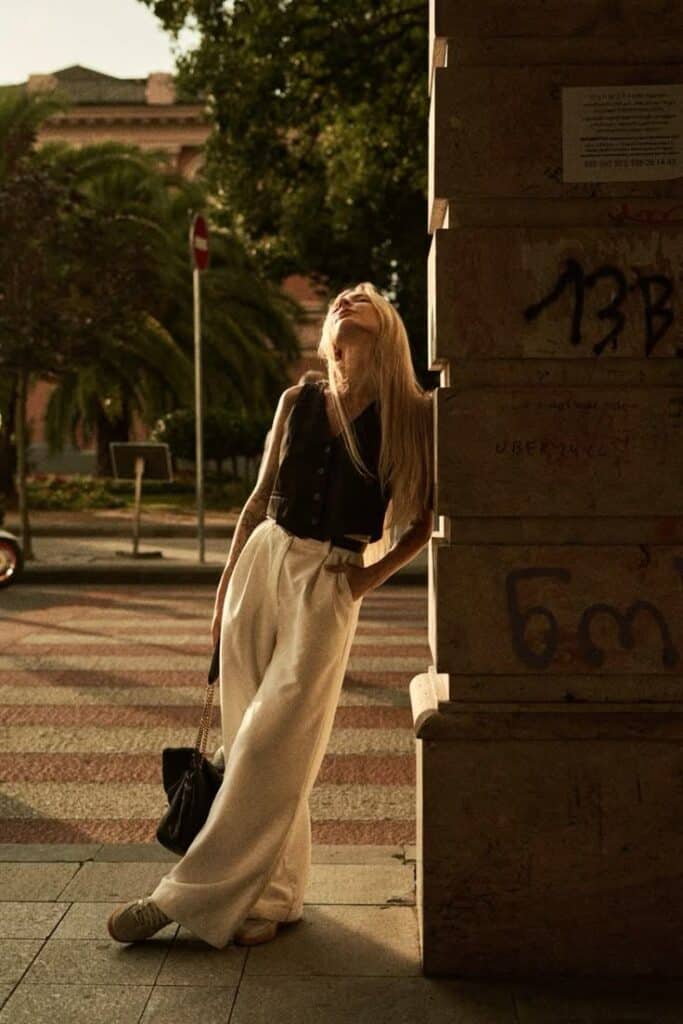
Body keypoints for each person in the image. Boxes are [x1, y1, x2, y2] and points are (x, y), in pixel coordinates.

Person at [107, 282, 434, 949]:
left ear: (385, 329)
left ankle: (179, 899)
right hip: (261, 564)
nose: (346, 301)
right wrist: (225, 590)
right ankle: (278, 896)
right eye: (341, 298)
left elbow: (422, 523)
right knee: (261, 748)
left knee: (267, 747)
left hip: (327, 583)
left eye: (361, 299)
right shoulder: (298, 400)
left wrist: (363, 579)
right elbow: (257, 504)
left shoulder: (407, 414)